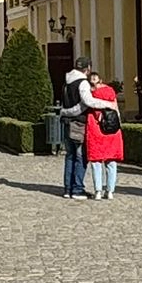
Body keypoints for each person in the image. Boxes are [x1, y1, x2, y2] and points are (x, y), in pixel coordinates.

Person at [83, 70, 124, 200]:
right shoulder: (111, 92)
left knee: (96, 162)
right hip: (112, 131)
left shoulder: (91, 94)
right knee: (111, 161)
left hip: (96, 130)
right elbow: (117, 111)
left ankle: (98, 191)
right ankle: (110, 191)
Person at [58, 56, 93, 200]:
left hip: (66, 122)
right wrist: (106, 104)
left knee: (70, 155)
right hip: (78, 123)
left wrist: (65, 112)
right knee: (80, 156)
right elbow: (86, 102)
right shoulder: (83, 83)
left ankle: (68, 189)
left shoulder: (67, 82)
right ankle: (78, 189)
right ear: (87, 69)